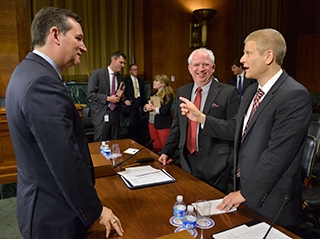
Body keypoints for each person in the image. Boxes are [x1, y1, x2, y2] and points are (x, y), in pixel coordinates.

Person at [5, 7, 124, 239]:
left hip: (42, 205)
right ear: (55, 35)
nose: (84, 47)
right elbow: (64, 158)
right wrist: (97, 210)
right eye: (78, 38)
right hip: (53, 214)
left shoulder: (26, 71)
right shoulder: (42, 82)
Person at [179, 29, 312, 229]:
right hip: (245, 193)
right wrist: (201, 118)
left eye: (248, 53)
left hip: (271, 201)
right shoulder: (251, 91)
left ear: (268, 56)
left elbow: (277, 156)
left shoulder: (294, 95)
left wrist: (243, 194)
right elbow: (236, 129)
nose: (242, 59)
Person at [158, 48, 240, 193]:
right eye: (196, 65)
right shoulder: (182, 92)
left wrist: (203, 119)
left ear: (213, 68)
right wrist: (167, 151)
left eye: (206, 64)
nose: (201, 69)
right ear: (189, 69)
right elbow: (177, 125)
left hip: (217, 165)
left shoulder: (229, 92)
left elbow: (234, 129)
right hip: (187, 162)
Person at [87, 51, 126, 141]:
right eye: (121, 62)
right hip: (101, 114)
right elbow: (90, 94)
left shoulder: (120, 77)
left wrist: (122, 96)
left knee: (114, 144)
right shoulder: (98, 74)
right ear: (113, 60)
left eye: (124, 63)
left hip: (115, 114)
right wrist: (108, 98)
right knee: (100, 144)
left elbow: (122, 97)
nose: (123, 65)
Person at [144, 75, 174, 153]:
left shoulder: (168, 95)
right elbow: (148, 105)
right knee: (155, 145)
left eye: (156, 81)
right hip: (151, 122)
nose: (154, 82)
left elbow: (164, 110)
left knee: (164, 145)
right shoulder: (153, 93)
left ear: (162, 84)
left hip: (162, 124)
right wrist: (146, 107)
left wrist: (154, 108)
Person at [123, 64, 147, 145]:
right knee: (132, 124)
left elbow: (143, 93)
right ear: (130, 71)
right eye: (134, 69)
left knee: (140, 124)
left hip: (139, 103)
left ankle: (140, 142)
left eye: (137, 69)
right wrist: (125, 100)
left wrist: (145, 104)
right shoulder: (126, 81)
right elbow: (122, 92)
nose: (136, 71)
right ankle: (132, 141)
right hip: (131, 104)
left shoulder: (140, 81)